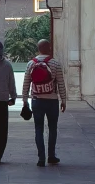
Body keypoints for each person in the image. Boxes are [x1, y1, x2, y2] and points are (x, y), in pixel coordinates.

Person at [22, 39, 66, 167]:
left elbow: (26, 83)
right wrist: (63, 100)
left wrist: (25, 100)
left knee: (38, 129)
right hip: (52, 101)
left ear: (38, 49)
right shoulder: (55, 63)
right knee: (52, 128)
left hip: (37, 100)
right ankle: (51, 156)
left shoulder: (31, 63)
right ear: (49, 48)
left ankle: (41, 158)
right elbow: (61, 84)